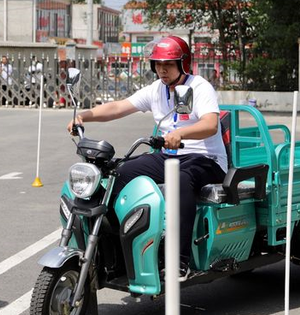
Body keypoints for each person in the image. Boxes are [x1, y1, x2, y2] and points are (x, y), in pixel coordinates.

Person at [67, 36, 227, 280]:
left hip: (206, 159)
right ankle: (117, 250)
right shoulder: (156, 89)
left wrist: (180, 133)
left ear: (183, 63)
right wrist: (83, 117)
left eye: (169, 64)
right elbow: (120, 107)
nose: (162, 69)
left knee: (180, 180)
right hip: (168, 155)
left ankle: (179, 262)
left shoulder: (200, 87)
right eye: (158, 64)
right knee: (116, 174)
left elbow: (210, 124)